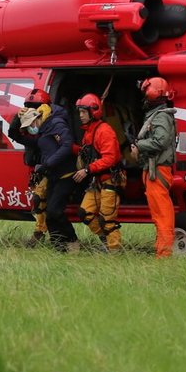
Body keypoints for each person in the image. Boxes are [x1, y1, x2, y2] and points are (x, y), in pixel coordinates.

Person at [17, 100, 79, 252]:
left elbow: (67, 145)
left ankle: (72, 241)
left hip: (67, 175)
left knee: (54, 211)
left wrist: (47, 164)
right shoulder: (43, 131)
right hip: (53, 176)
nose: (31, 129)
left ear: (37, 119)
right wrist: (15, 118)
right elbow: (15, 135)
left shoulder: (55, 124)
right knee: (49, 214)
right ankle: (58, 247)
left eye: (31, 125)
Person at [130, 77, 177, 258]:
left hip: (158, 170)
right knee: (158, 213)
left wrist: (139, 146)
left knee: (162, 214)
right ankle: (161, 250)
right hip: (152, 170)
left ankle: (164, 253)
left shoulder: (162, 116)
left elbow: (160, 141)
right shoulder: (158, 114)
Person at [73, 93, 126, 252]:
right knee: (84, 213)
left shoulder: (104, 131)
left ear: (93, 112)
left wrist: (87, 170)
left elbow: (110, 158)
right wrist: (65, 144)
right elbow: (85, 152)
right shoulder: (89, 131)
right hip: (98, 181)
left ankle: (115, 251)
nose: (80, 115)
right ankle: (106, 239)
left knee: (107, 219)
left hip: (110, 179)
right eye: (80, 112)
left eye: (83, 112)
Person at [7, 89, 53, 247]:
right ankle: (41, 231)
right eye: (30, 107)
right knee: (38, 201)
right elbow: (13, 133)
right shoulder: (29, 134)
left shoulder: (49, 130)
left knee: (40, 199)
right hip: (35, 170)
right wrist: (17, 118)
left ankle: (40, 232)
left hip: (48, 169)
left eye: (37, 107)